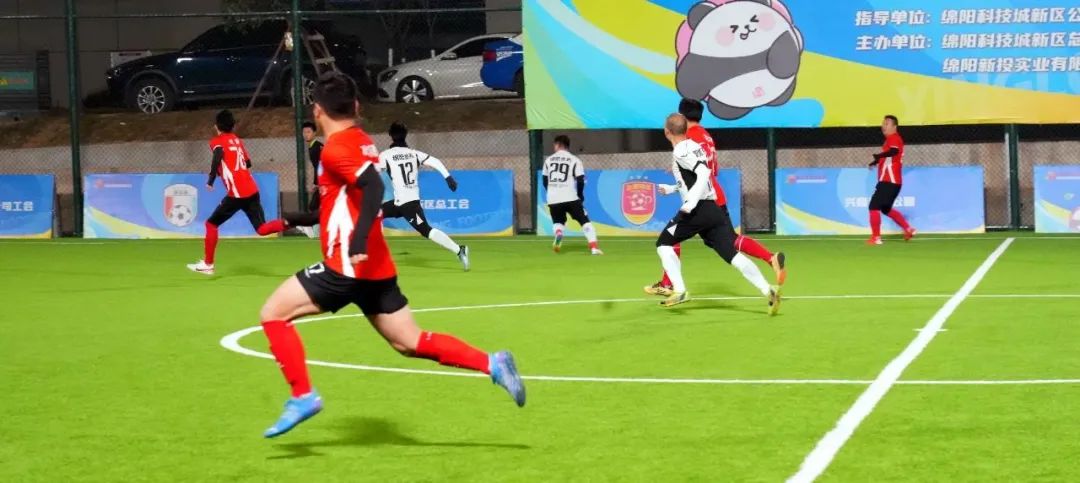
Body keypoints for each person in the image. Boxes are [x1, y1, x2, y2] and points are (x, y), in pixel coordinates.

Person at [257, 72, 524, 438]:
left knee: (273, 313)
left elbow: (373, 188)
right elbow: (342, 203)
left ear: (317, 111)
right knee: (408, 342)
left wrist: (357, 240)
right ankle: (493, 363)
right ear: (356, 106)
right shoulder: (362, 142)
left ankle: (302, 395)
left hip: (348, 266)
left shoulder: (335, 149)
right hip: (376, 268)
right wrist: (293, 219)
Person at [645, 99, 786, 297]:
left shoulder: (689, 138)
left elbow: (702, 171)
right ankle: (768, 276)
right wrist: (675, 186)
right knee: (728, 244)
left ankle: (673, 286)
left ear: (682, 117)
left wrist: (689, 197)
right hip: (711, 195)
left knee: (670, 239)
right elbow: (712, 169)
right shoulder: (706, 136)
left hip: (702, 199)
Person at [186, 110, 288, 275]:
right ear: (232, 126)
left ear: (217, 126)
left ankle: (208, 264)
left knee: (211, 224)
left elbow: (218, 155)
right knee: (262, 228)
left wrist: (211, 179)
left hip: (237, 194)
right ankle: (294, 222)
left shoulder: (217, 141)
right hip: (251, 190)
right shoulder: (237, 140)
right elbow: (247, 163)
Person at [378, 122, 470, 271]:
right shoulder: (414, 153)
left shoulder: (386, 155)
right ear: (405, 135)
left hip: (408, 206)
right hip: (401, 203)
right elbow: (435, 161)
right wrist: (448, 177)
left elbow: (372, 170)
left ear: (390, 136)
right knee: (376, 213)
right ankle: (379, 255)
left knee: (426, 230)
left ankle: (460, 250)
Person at [542, 135, 602, 255]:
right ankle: (594, 248)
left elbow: (544, 180)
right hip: (570, 197)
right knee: (584, 221)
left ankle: (559, 233)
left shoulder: (548, 160)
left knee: (558, 221)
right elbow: (580, 180)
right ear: (567, 146)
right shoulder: (575, 160)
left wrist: (551, 192)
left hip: (553, 198)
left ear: (558, 145)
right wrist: (580, 195)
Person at [867, 115, 916, 245]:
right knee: (886, 209)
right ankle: (908, 229)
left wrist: (879, 155)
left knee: (873, 206)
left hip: (888, 181)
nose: (883, 126)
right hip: (894, 182)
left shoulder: (893, 138)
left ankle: (876, 238)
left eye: (887, 124)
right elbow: (890, 156)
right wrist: (875, 161)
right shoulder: (891, 140)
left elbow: (894, 151)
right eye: (883, 123)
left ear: (895, 127)